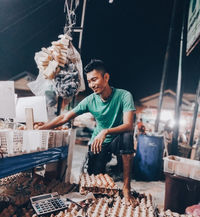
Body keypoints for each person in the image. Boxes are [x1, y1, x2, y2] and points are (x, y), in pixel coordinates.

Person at [39, 59, 136, 204]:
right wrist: (40, 128)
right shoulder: (90, 100)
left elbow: (129, 125)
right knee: (94, 184)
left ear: (106, 77)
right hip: (98, 143)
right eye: (89, 81)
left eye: (95, 79)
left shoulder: (124, 96)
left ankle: (126, 188)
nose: (92, 85)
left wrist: (105, 132)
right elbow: (65, 116)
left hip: (116, 140)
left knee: (128, 136)